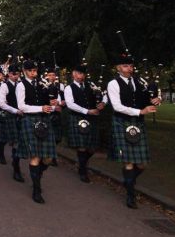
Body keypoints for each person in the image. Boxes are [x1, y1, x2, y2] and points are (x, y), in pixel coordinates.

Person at [107, 54, 160, 209]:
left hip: (138, 123)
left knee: (142, 164)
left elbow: (147, 98)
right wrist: (140, 111)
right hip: (121, 122)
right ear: (118, 68)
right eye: (125, 66)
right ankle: (131, 195)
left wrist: (156, 100)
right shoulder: (113, 84)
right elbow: (116, 106)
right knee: (129, 162)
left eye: (130, 66)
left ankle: (128, 181)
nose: (129, 69)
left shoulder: (140, 82)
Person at [16, 60, 61, 204]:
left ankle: (37, 175)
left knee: (47, 157)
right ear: (24, 71)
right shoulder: (21, 85)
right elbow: (21, 106)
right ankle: (36, 189)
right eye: (30, 71)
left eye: (35, 71)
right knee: (35, 157)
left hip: (44, 121)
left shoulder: (43, 84)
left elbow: (49, 103)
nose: (33, 73)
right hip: (30, 120)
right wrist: (40, 108)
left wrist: (53, 105)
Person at [64, 64, 107, 183]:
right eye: (78, 73)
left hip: (92, 118)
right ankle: (83, 171)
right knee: (82, 146)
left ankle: (81, 164)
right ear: (73, 74)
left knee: (92, 147)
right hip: (78, 118)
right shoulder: (69, 88)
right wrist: (87, 111)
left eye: (82, 74)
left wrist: (103, 103)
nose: (80, 76)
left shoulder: (91, 85)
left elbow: (104, 94)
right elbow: (70, 104)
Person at [0, 64, 24, 182]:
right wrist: (15, 111)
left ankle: (16, 167)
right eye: (13, 74)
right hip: (10, 115)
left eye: (17, 74)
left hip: (21, 116)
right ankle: (1, 152)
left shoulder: (21, 85)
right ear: (9, 74)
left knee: (17, 142)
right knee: (4, 139)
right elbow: (2, 103)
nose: (15, 76)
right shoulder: (4, 86)